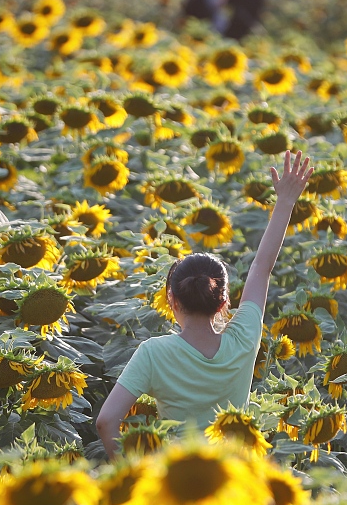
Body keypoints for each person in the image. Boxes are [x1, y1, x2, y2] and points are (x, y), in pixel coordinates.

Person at [96, 151, 314, 460]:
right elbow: (262, 268)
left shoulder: (153, 353)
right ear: (224, 301)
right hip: (234, 477)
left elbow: (106, 422)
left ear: (171, 299)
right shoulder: (243, 338)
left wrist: (131, 472)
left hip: (179, 480)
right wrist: (285, 202)